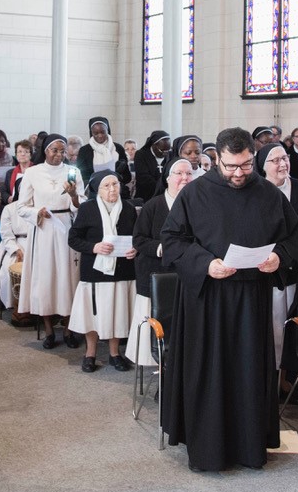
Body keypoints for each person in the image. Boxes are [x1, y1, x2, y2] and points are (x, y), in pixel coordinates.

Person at [160, 127, 298, 471]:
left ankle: (249, 448)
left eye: (245, 166)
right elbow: (172, 240)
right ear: (217, 160)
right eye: (230, 167)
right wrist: (206, 263)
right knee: (209, 373)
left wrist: (278, 258)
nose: (238, 174)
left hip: (251, 300)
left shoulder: (268, 194)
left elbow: (294, 237)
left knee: (249, 372)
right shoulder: (195, 193)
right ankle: (209, 450)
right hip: (207, 301)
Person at [17, 134, 85, 347]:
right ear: (45, 150)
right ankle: (48, 330)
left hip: (66, 227)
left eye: (62, 151)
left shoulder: (73, 172)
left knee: (68, 278)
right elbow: (21, 207)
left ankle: (67, 329)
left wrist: (74, 196)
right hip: (44, 228)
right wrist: (39, 211)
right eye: (54, 150)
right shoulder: (32, 173)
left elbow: (81, 205)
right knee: (45, 279)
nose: (59, 155)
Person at [67, 171, 138, 372]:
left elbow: (137, 237)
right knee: (93, 314)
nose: (112, 189)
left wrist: (135, 249)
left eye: (115, 184)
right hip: (95, 271)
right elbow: (73, 239)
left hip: (123, 270)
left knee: (118, 313)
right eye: (106, 186)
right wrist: (94, 247)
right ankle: (90, 353)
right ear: (97, 190)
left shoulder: (129, 209)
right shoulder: (88, 208)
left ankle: (115, 353)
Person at [128, 157, 194, 367]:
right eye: (179, 174)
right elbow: (139, 239)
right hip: (156, 274)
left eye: (189, 174)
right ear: (167, 178)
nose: (185, 178)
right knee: (159, 331)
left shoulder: (199, 205)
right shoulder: (152, 206)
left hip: (188, 275)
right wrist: (160, 248)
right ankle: (161, 374)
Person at [255, 142, 298, 371]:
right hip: (266, 268)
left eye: (285, 158)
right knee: (273, 325)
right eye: (275, 160)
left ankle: (291, 373)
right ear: (262, 166)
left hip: (296, 266)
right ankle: (272, 374)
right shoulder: (256, 190)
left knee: (292, 324)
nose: (282, 164)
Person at [0, 193, 30, 311]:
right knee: (8, 267)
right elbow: (5, 233)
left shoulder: (38, 206)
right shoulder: (9, 208)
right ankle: (16, 306)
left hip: (35, 243)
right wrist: (15, 249)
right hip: (15, 242)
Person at [76, 116, 132, 187]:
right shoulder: (84, 151)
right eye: (96, 133)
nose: (100, 136)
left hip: (117, 189)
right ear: (91, 133)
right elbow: (81, 176)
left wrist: (118, 173)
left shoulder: (118, 148)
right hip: (93, 191)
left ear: (107, 131)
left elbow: (127, 177)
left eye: (102, 132)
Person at [133, 130, 170, 201]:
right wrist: (163, 187)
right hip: (146, 196)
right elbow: (143, 177)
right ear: (154, 145)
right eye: (162, 150)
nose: (165, 154)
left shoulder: (170, 155)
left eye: (167, 150)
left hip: (166, 196)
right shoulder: (141, 155)